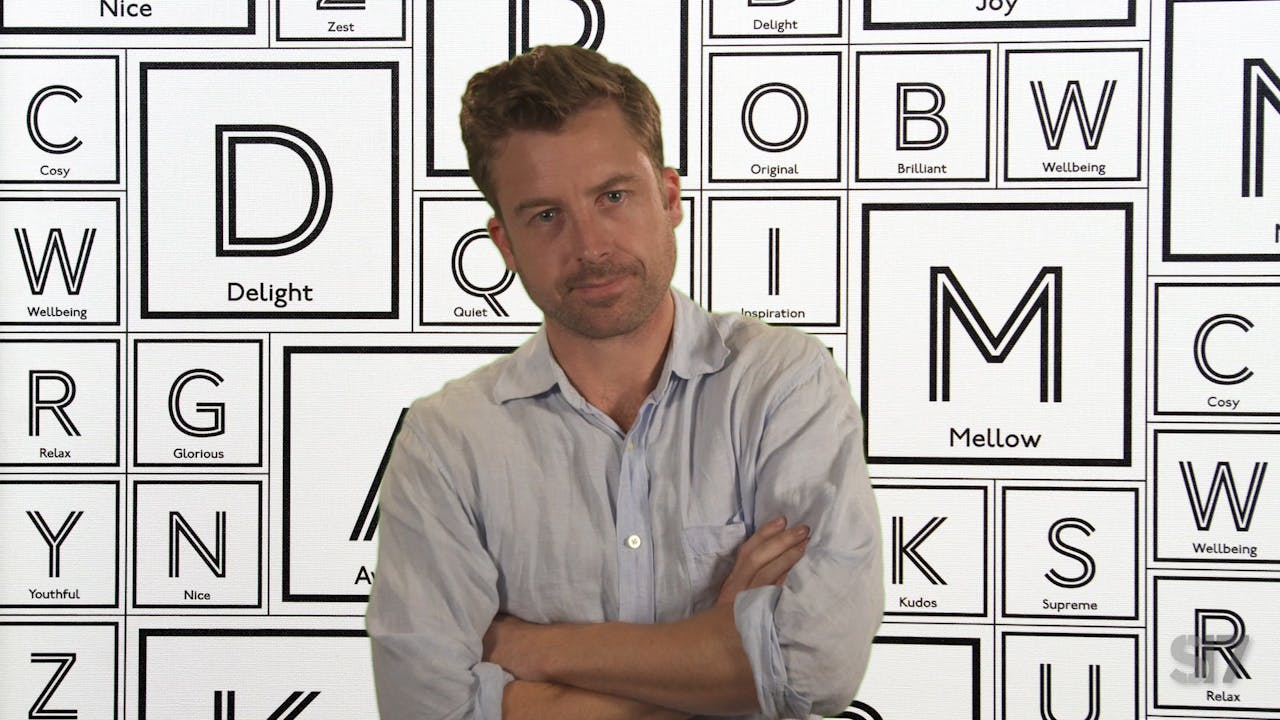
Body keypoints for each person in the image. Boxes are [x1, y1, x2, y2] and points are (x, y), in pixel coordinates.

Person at [366, 44, 882, 720]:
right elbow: (424, 706)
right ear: (505, 243)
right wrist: (720, 653)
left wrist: (530, 651)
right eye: (545, 215)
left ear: (668, 197)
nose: (590, 246)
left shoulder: (780, 386)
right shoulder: (449, 441)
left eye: (613, 196)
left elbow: (816, 668)